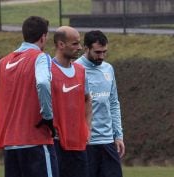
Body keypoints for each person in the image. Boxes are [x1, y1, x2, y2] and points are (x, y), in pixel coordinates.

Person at [0, 16, 57, 177]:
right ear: (43, 36)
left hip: (11, 145)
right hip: (36, 141)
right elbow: (44, 83)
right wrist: (48, 116)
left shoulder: (3, 62)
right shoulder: (40, 57)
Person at [75, 30, 124, 177]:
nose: (101, 56)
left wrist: (118, 135)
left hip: (108, 142)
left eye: (104, 52)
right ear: (86, 48)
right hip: (86, 144)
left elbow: (114, 103)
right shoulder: (75, 69)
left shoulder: (108, 69)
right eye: (97, 52)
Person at [51, 26, 92, 177]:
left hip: (78, 144)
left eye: (79, 43)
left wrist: (87, 127)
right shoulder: (47, 70)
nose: (80, 47)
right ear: (61, 45)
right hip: (56, 144)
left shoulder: (81, 71)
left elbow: (87, 99)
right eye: (75, 44)